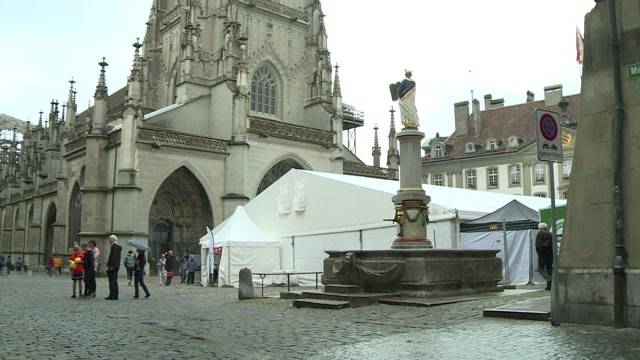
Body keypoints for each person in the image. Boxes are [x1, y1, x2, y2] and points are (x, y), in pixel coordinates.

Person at [536, 222, 554, 291]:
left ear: (540, 228)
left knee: (541, 269)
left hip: (542, 254)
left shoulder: (539, 233)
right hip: (550, 254)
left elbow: (537, 245)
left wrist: (539, 254)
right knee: (549, 270)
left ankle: (549, 279)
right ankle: (549, 286)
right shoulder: (550, 234)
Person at [105, 234, 122, 300]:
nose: (108, 240)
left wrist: (111, 266)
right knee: (114, 281)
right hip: (116, 266)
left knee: (112, 281)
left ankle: (111, 295)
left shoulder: (114, 247)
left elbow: (113, 257)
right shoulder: (117, 246)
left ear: (112, 240)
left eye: (109, 239)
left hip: (113, 266)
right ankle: (115, 295)